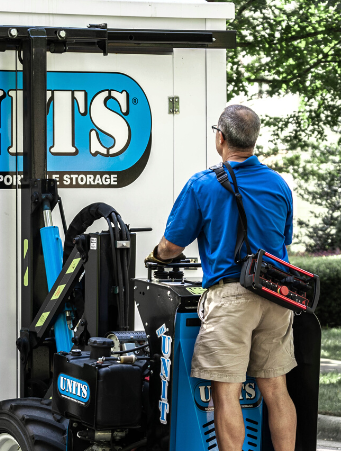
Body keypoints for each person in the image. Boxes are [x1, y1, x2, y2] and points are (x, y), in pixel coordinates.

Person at [145, 105, 297, 451]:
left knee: (224, 390)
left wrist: (155, 255)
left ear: (221, 137)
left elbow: (171, 246)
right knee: (275, 389)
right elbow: (282, 241)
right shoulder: (278, 184)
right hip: (277, 295)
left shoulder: (203, 185)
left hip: (231, 297)